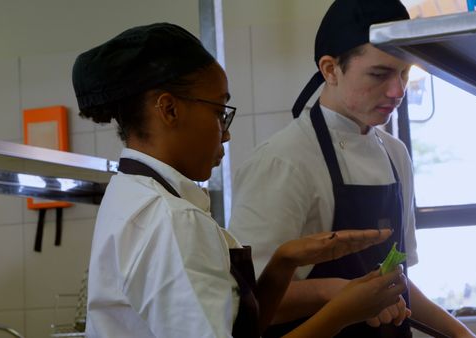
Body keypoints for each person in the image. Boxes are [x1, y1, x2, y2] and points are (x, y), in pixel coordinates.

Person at [72, 22, 410, 338]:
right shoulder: (171, 221)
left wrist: (283, 263)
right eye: (219, 112)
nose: (227, 133)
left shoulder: (133, 193)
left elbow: (237, 329)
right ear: (169, 110)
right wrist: (341, 313)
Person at [229, 1, 476, 337]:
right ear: (330, 70)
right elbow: (250, 304)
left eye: (404, 73)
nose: (398, 91)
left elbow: (398, 282)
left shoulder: (395, 153)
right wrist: (341, 292)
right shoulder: (282, 161)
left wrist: (462, 333)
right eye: (380, 74)